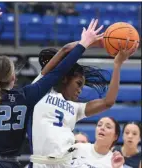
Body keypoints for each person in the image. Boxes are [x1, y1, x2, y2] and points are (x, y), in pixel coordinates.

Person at [0, 6, 96, 168]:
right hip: (13, 164)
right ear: (13, 77)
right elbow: (58, 72)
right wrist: (83, 44)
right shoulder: (26, 96)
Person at [29, 20, 138, 167]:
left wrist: (117, 65)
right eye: (78, 83)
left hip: (67, 163)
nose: (80, 89)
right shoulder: (40, 91)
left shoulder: (76, 108)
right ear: (66, 78)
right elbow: (65, 50)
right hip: (42, 163)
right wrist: (94, 42)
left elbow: (108, 102)